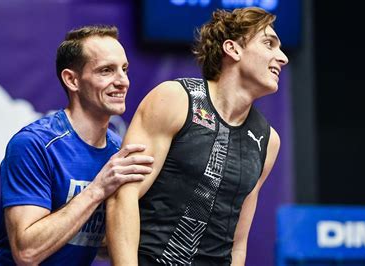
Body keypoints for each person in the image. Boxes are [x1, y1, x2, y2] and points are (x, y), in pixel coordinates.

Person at [106, 7, 289, 265]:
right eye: (269, 43)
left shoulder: (268, 140)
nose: (282, 58)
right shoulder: (174, 99)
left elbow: (238, 244)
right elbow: (122, 198)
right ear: (232, 49)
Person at [0, 25, 154, 265]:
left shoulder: (117, 152)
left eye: (124, 69)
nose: (123, 81)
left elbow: (98, 242)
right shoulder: (34, 144)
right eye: (106, 71)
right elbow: (27, 252)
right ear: (72, 80)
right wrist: (97, 190)